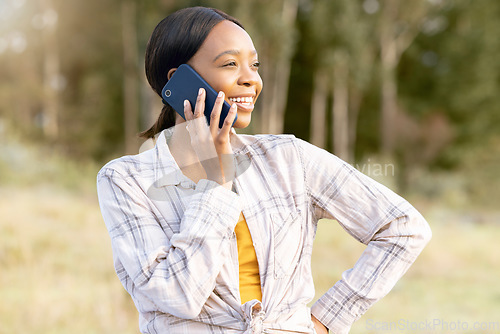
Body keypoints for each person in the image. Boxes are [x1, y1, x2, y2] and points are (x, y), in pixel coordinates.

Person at [97, 6, 432, 334]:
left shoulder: (289, 158)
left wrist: (327, 320)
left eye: (254, 65)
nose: (251, 80)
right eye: (230, 64)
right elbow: (176, 297)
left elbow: (403, 228)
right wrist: (216, 184)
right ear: (179, 80)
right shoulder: (126, 180)